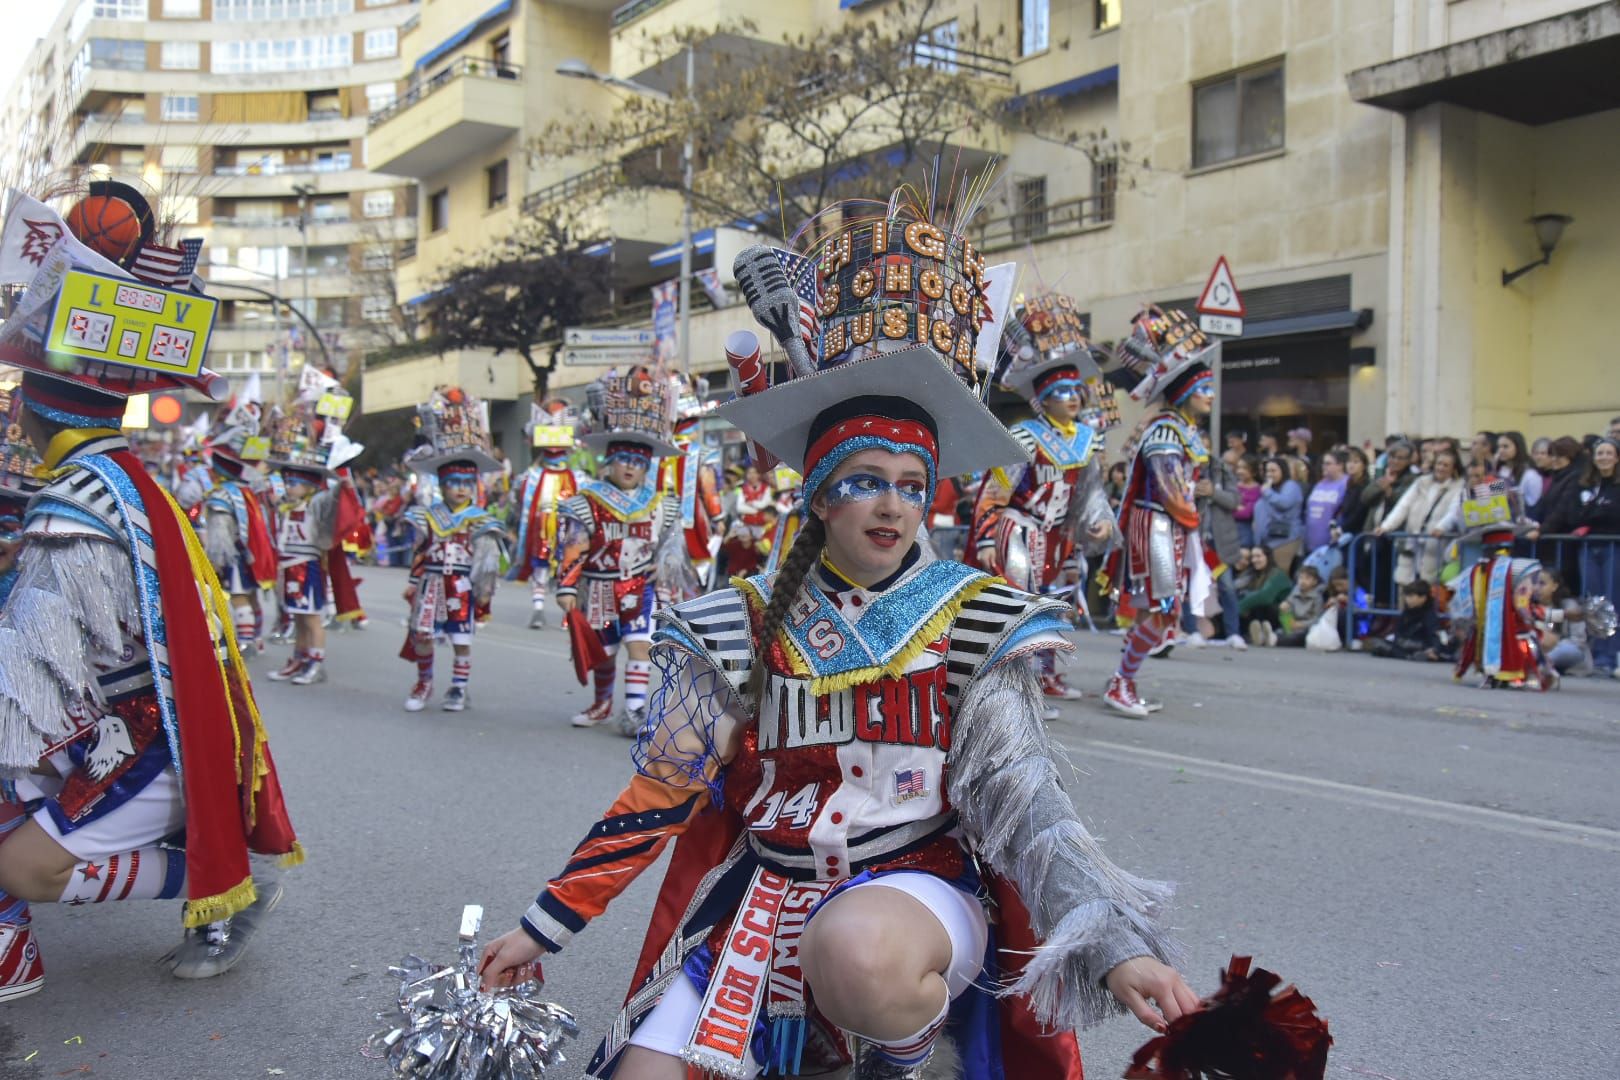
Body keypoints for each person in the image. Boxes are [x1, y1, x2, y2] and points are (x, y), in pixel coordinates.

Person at [479, 210, 1192, 1079]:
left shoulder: (971, 619)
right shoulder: (738, 622)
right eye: (863, 483)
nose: (890, 506)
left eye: (909, 486)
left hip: (911, 893)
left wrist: (1115, 947)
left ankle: (892, 1062)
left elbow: (1027, 806)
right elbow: (656, 794)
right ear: (820, 499)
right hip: (764, 895)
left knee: (857, 954)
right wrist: (541, 925)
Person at [0, 191, 299, 997]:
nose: (13, 411)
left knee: (23, 867)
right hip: (147, 723)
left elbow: (34, 670)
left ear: (39, 407)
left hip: (143, 740)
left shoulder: (76, 504)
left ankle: (219, 890)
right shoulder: (116, 474)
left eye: (20, 396)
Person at [971, 291, 1113, 711]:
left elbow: (1092, 491)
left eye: (1076, 389)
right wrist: (985, 538)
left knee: (1059, 603)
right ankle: (1016, 687)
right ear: (1044, 398)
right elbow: (994, 492)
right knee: (1022, 608)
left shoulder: (1087, 440)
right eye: (1063, 390)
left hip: (1061, 534)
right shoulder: (1026, 436)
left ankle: (1048, 675)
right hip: (1021, 530)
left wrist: (1099, 520)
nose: (1073, 396)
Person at [1102, 307, 1219, 717]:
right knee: (1159, 608)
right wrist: (1192, 507)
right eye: (1204, 387)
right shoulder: (1166, 430)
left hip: (1171, 528)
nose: (1211, 394)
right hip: (1155, 526)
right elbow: (1170, 491)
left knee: (1161, 610)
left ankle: (1122, 678)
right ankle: (1121, 683)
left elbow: (1181, 488)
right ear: (1185, 392)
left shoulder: (1182, 430)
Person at [557, 368, 685, 734]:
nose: (630, 467)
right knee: (605, 653)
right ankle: (601, 704)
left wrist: (667, 569)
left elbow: (669, 545)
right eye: (624, 459)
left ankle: (634, 710)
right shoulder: (587, 501)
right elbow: (574, 547)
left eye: (638, 461)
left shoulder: (661, 503)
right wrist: (567, 586)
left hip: (638, 588)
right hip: (598, 588)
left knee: (639, 646)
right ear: (610, 461)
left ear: (646, 466)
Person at [400, 389, 506, 713]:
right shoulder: (427, 515)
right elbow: (420, 552)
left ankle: (459, 688)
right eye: (454, 482)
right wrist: (413, 581)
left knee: (461, 640)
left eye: (466, 482)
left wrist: (485, 593)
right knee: (423, 635)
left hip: (461, 585)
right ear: (443, 485)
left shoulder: (481, 521)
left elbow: (488, 565)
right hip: (431, 584)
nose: (460, 488)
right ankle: (424, 682)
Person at [201, 402, 278, 659]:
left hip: (236, 554)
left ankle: (246, 640)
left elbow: (220, 534)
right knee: (251, 595)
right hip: (252, 552)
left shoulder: (222, 494)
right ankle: (255, 638)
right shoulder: (248, 491)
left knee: (239, 596)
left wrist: (216, 560)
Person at [512, 403, 580, 630]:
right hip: (542, 526)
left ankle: (568, 612)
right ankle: (538, 609)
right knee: (540, 566)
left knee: (569, 567)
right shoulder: (531, 477)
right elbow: (521, 500)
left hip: (569, 528)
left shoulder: (577, 477)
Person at [1182, 453, 1247, 650]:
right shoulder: (1182, 468)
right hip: (1194, 538)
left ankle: (1233, 633)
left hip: (1219, 541)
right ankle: (1192, 631)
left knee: (1227, 587)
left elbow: (1234, 501)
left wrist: (1213, 493)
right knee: (1191, 587)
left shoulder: (1223, 471)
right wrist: (1193, 493)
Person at [1376, 447, 1463, 585]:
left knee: (1429, 585)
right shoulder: (1422, 482)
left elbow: (1455, 511)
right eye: (1438, 463)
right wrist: (1386, 526)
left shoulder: (1466, 486)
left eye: (1445, 465)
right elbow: (1403, 505)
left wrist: (1442, 527)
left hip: (1436, 546)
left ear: (1454, 469)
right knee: (1404, 584)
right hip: (1412, 542)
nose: (1440, 468)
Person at [1577, 438, 1620, 676]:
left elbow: (1612, 515)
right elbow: (1578, 515)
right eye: (1599, 453)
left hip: (1613, 547)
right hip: (1589, 548)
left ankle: (1612, 655)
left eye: (1608, 453)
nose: (1603, 457)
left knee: (1613, 602)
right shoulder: (1587, 485)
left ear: (1617, 457)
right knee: (1594, 603)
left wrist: (1594, 514)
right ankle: (1598, 656)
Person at [1368, 580, 1447, 661]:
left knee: (1407, 646)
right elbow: (1399, 631)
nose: (1407, 599)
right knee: (1377, 642)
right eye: (1407, 596)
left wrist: (1435, 650)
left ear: (1423, 597)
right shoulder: (1407, 611)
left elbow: (1435, 634)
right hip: (1402, 643)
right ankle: (1408, 656)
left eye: (1411, 596)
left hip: (1420, 644)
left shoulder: (1429, 615)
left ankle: (1413, 655)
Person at [1238, 546, 1292, 646]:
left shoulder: (1277, 574)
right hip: (1262, 615)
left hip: (1283, 616)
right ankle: (1257, 635)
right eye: (1252, 557)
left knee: (1261, 605)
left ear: (1267, 557)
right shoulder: (1253, 575)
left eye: (1258, 556)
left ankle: (1267, 634)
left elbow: (1265, 597)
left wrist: (1238, 608)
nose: (1254, 560)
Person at [1304, 449, 1349, 556]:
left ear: (1340, 465)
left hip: (1332, 542)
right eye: (1323, 463)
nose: (1324, 466)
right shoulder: (1319, 484)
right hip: (1311, 543)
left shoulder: (1346, 484)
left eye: (1328, 463)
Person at [1252, 457, 1304, 550]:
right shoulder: (1270, 488)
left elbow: (1284, 503)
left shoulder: (1291, 485)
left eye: (1273, 471)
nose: (1269, 474)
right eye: (1267, 471)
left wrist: (1267, 492)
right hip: (1267, 541)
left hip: (1285, 540)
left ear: (1283, 471)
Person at [1494, 431, 1542, 511]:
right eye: (1499, 447)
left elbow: (1533, 504)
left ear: (1518, 447)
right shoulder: (1501, 470)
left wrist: (1513, 495)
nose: (1500, 450)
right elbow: (1494, 493)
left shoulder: (1530, 474)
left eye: (1505, 447)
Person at [1232, 454, 1261, 547]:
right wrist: (1236, 507)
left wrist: (1232, 506)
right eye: (1239, 467)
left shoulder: (1257, 490)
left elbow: (1246, 513)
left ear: (1254, 472)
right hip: (1228, 530)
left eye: (1244, 468)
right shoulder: (1232, 485)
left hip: (1244, 531)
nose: (1240, 471)